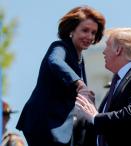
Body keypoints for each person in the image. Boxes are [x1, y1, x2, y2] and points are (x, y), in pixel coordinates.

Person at [16, 6, 105, 146]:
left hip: (61, 124)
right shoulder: (60, 47)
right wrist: (79, 83)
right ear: (71, 30)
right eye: (85, 30)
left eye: (93, 32)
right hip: (44, 122)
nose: (89, 36)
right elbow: (54, 61)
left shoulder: (80, 59)